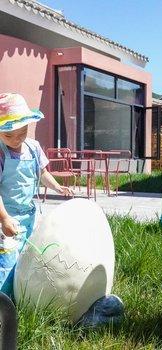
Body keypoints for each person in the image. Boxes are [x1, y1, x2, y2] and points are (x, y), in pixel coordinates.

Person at [0, 93, 73, 297]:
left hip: (29, 215)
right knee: (6, 261)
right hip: (5, 217)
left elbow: (42, 173)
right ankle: (5, 304)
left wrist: (58, 187)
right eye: (8, 135)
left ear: (28, 125)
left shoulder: (33, 147)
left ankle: (25, 295)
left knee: (26, 257)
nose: (16, 139)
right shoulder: (1, 154)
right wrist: (5, 219)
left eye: (21, 132)